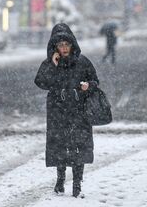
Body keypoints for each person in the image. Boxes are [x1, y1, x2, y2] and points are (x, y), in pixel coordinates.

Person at [34, 23, 100, 198]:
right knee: (60, 145)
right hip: (58, 110)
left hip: (79, 109)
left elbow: (95, 81)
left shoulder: (83, 62)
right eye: (60, 45)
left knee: (79, 146)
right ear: (55, 46)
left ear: (72, 44)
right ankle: (60, 179)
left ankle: (77, 183)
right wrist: (52, 65)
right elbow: (41, 82)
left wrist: (88, 86)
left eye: (67, 44)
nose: (64, 48)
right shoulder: (50, 63)